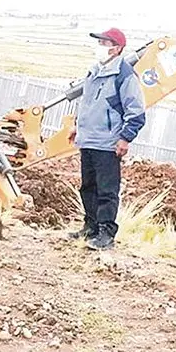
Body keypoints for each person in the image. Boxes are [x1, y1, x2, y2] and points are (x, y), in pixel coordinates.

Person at [67, 27, 146, 251]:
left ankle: (106, 232)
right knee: (88, 187)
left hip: (107, 143)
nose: (100, 46)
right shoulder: (94, 71)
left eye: (104, 43)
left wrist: (125, 138)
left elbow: (136, 111)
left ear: (117, 48)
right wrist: (76, 126)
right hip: (88, 139)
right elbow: (87, 103)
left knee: (106, 189)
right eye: (100, 42)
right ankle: (90, 226)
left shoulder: (124, 74)